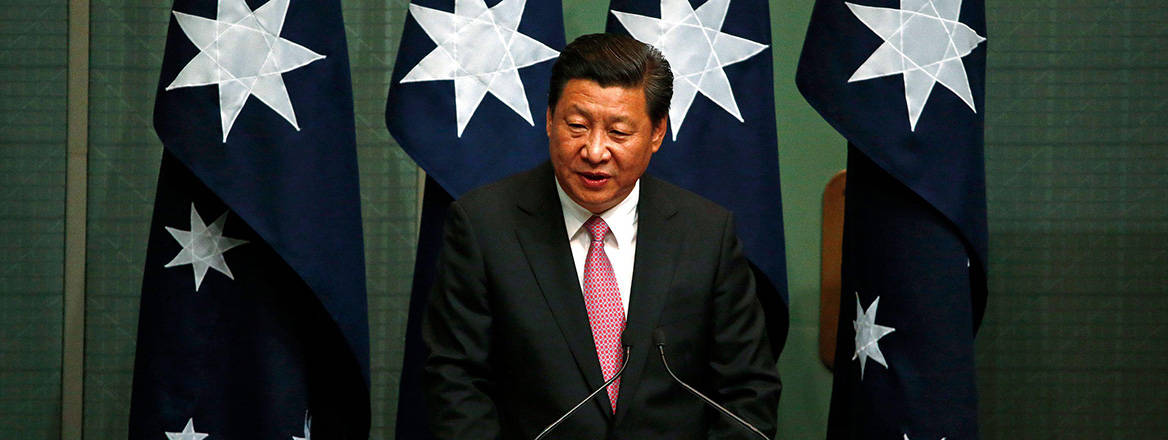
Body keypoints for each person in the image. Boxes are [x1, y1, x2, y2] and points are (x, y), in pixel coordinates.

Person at [422, 33, 780, 440]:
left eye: (619, 132)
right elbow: (456, 382)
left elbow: (748, 389)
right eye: (576, 126)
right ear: (549, 120)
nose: (594, 151)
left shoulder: (706, 233)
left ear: (657, 133)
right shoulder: (484, 226)